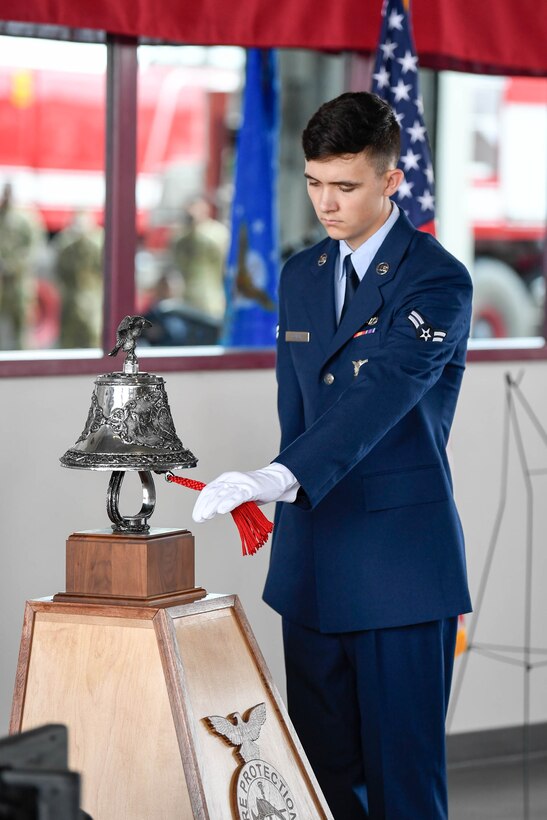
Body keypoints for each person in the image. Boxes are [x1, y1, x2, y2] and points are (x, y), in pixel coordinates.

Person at [192, 92, 473, 819]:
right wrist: (276, 485)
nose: (326, 202)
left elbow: (380, 393)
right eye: (315, 183)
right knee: (318, 783)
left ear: (389, 180)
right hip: (311, 564)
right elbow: (300, 411)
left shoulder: (436, 279)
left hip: (397, 568)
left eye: (344, 186)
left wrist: (277, 477)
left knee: (402, 788)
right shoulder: (302, 274)